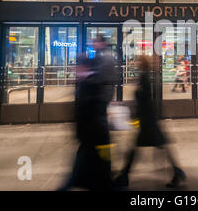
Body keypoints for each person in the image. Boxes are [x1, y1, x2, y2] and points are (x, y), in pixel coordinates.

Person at [115, 55, 186, 188]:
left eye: (138, 61)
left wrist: (138, 94)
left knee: (137, 149)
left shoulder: (144, 77)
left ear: (142, 64)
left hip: (148, 121)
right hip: (149, 120)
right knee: (159, 146)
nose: (136, 62)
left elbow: (145, 99)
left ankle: (124, 176)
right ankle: (177, 172)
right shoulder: (145, 76)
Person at [58, 34, 118, 191]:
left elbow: (103, 86)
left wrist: (104, 105)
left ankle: (96, 179)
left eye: (95, 41)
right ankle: (102, 179)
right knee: (96, 154)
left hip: (94, 123)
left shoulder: (102, 62)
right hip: (94, 124)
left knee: (93, 155)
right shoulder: (92, 75)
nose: (92, 43)